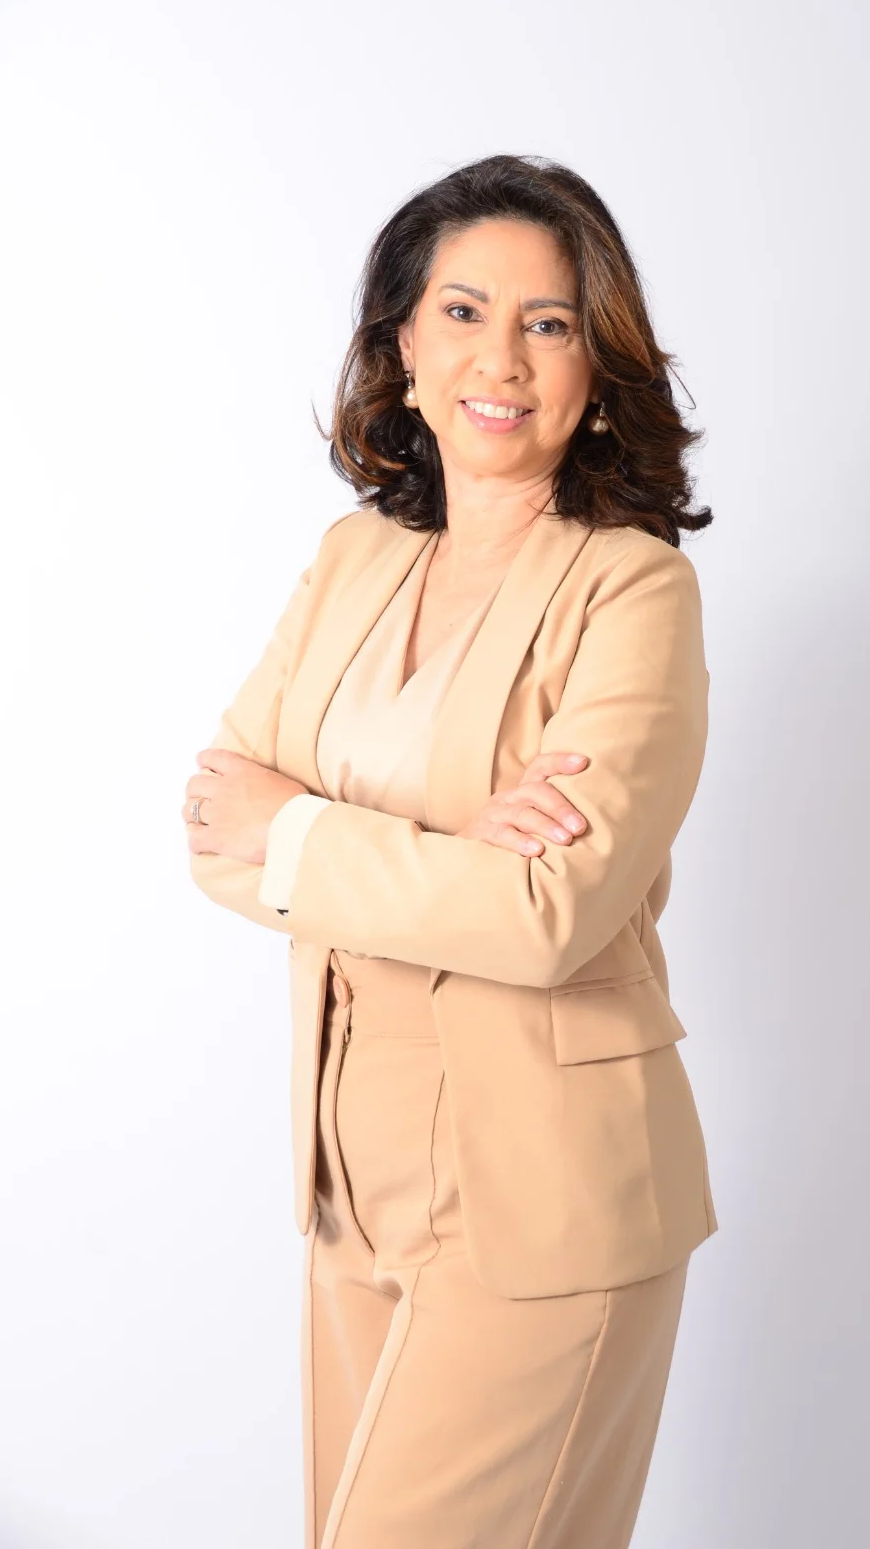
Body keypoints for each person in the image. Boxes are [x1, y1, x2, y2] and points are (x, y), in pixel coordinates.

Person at [183, 152, 718, 1549]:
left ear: (595, 365)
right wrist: (443, 845)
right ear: (403, 349)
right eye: (464, 313)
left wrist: (309, 828)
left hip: (541, 1194)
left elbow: (547, 914)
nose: (504, 359)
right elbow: (219, 820)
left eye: (549, 323)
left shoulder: (632, 589)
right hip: (346, 1185)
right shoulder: (352, 560)